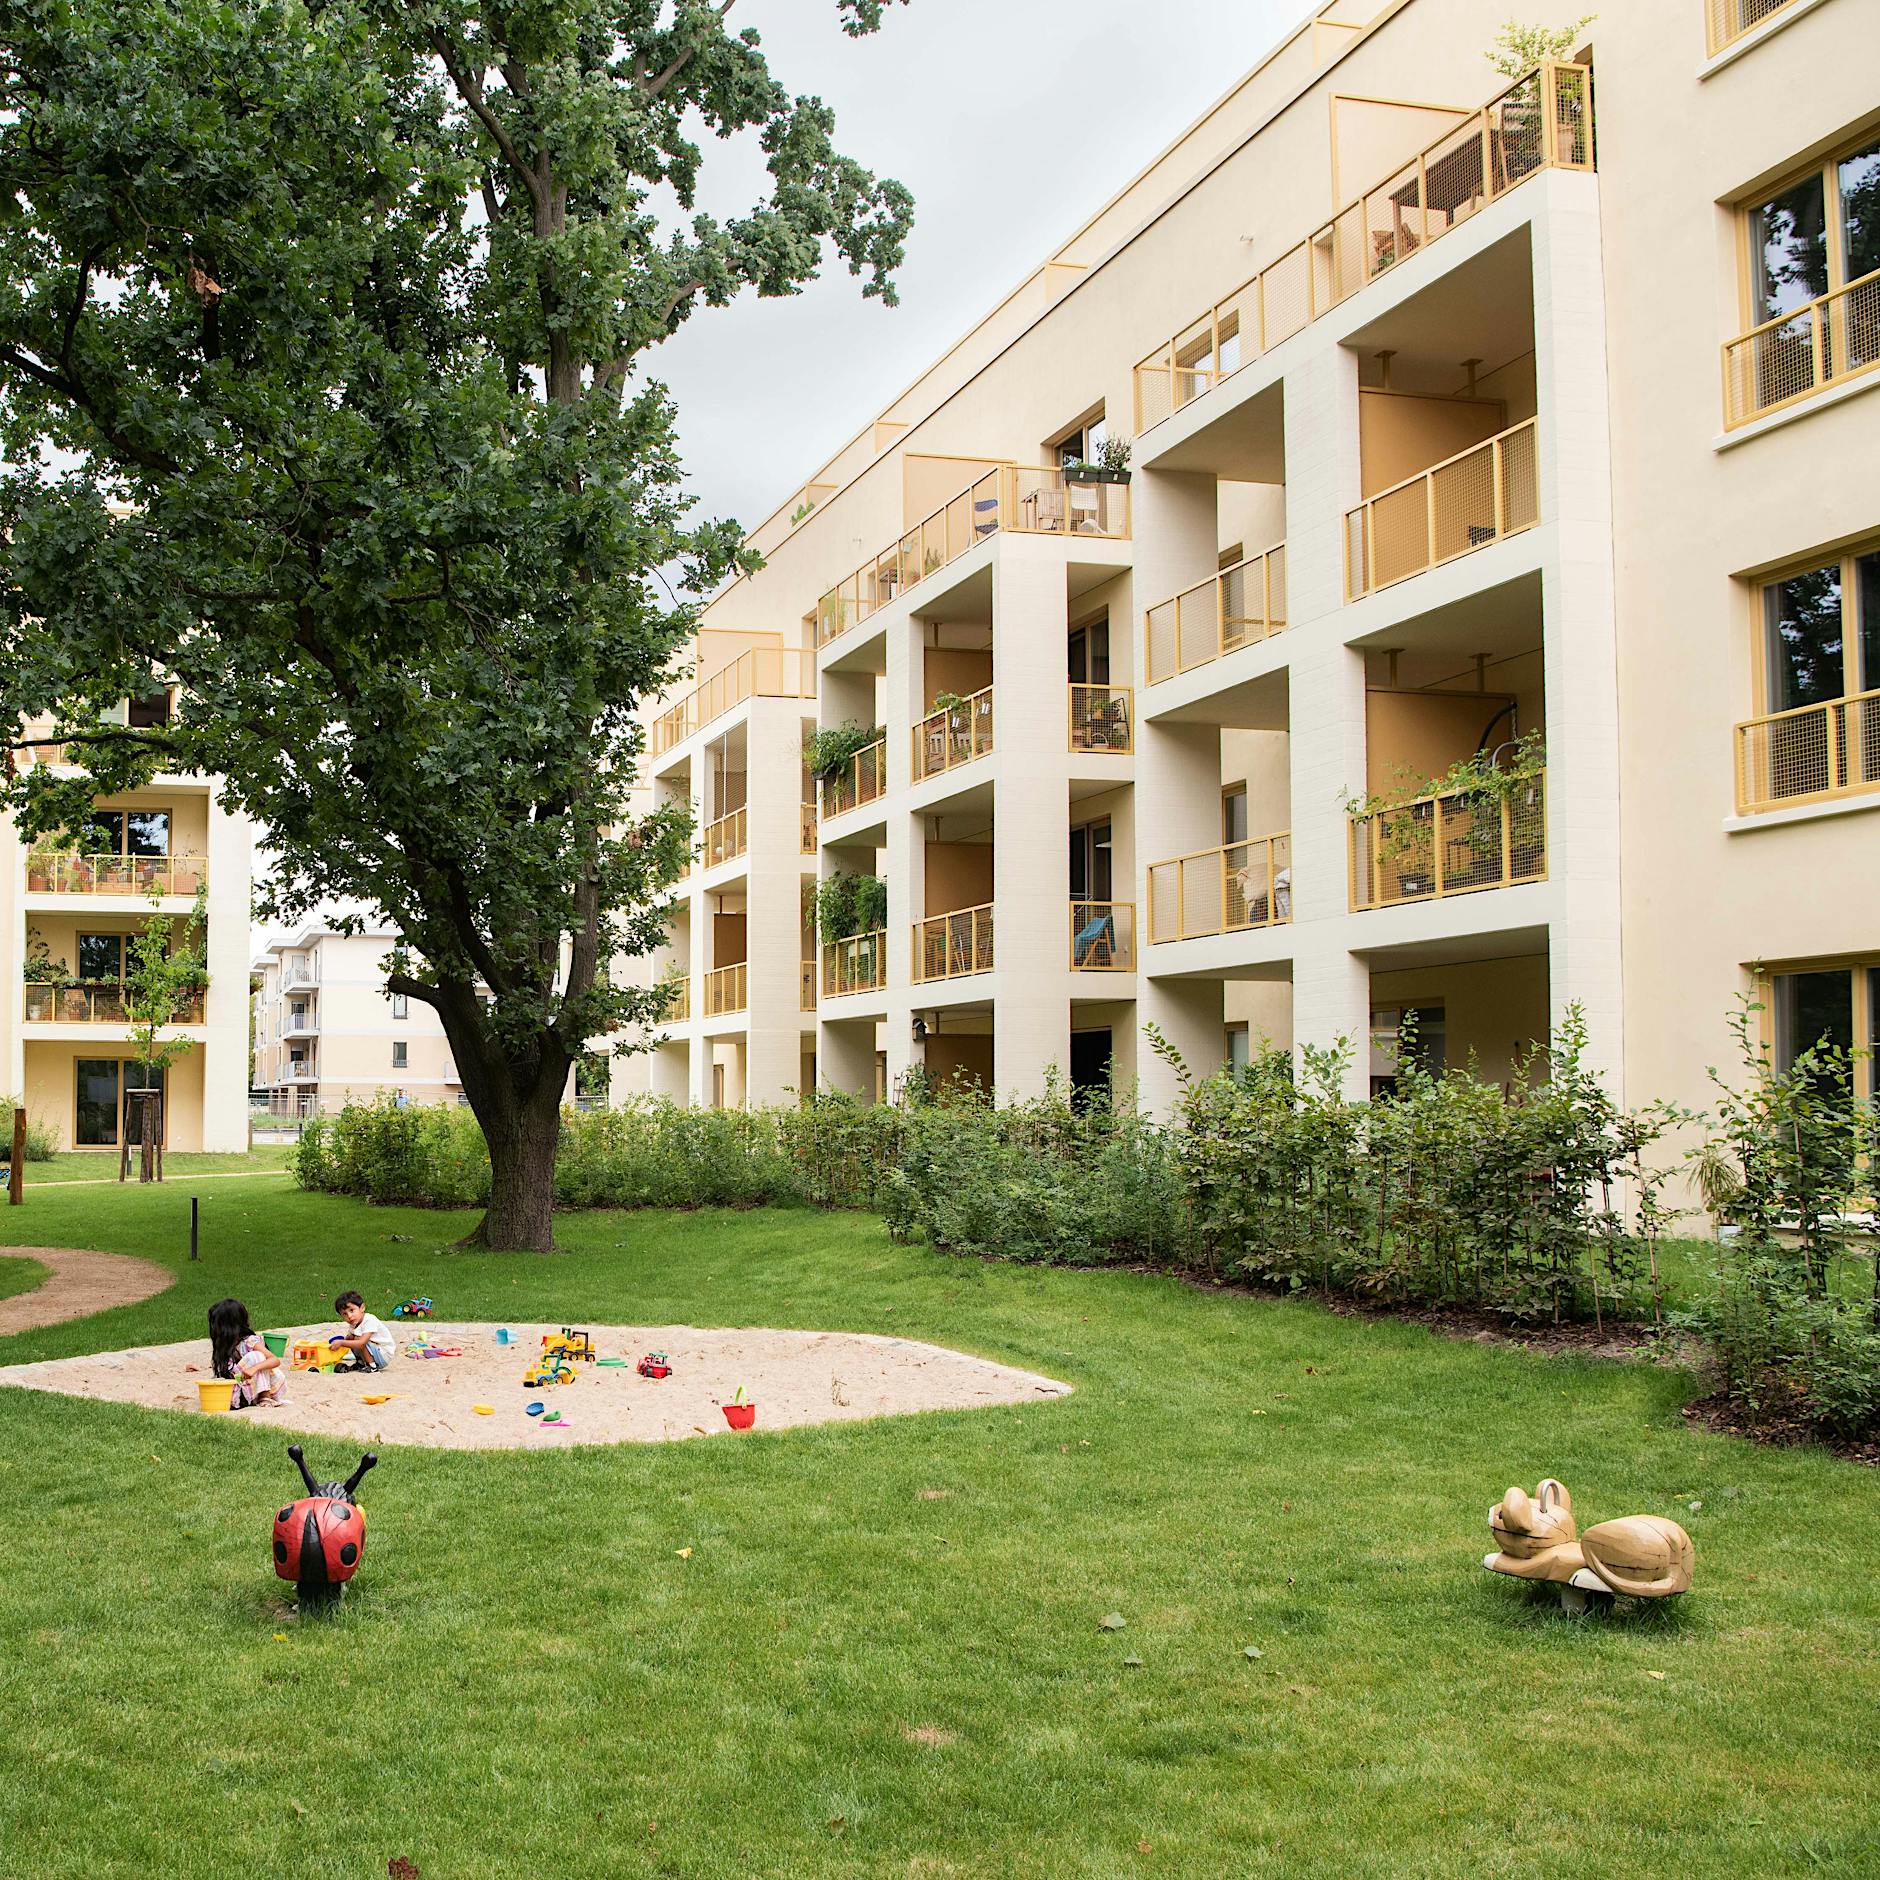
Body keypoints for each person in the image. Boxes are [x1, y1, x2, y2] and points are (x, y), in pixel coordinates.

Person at [208, 1297, 287, 1408]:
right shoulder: (224, 1346)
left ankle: (265, 1397)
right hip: (241, 1388)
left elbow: (274, 1360)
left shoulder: (249, 1341)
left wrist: (254, 1368)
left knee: (257, 1356)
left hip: (260, 1386)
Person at [330, 1291, 395, 1373]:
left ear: (362, 1308)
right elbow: (349, 1338)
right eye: (344, 1314)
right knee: (351, 1338)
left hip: (384, 1354)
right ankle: (361, 1363)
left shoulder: (369, 1320)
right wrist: (339, 1344)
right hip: (374, 1351)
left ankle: (372, 1367)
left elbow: (362, 1343)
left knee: (358, 1340)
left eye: (352, 1310)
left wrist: (342, 1342)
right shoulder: (354, 1323)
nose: (349, 1316)